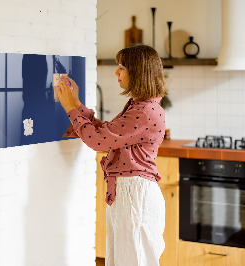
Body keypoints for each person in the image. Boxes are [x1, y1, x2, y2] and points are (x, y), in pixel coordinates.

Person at [55, 44, 167, 266]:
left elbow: (98, 141)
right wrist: (76, 104)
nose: (116, 72)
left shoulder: (144, 111)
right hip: (130, 193)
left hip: (135, 195)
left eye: (122, 67)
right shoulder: (140, 106)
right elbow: (106, 133)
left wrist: (70, 108)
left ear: (138, 72)